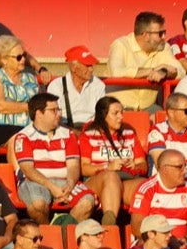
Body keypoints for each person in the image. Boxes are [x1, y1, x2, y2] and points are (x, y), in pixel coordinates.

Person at [9, 92, 95, 225]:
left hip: (64, 182)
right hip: (35, 181)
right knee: (38, 205)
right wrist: (52, 187)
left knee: (87, 202)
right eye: (53, 110)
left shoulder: (68, 134)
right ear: (39, 113)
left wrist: (70, 184)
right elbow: (28, 170)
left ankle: (62, 231)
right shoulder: (24, 137)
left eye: (58, 109)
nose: (58, 114)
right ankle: (47, 237)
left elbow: (73, 166)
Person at [82, 95, 147, 225]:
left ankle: (141, 232)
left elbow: (143, 165)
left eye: (121, 112)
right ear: (103, 115)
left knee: (145, 187)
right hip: (98, 181)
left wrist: (135, 165)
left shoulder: (129, 133)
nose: (121, 117)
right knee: (111, 177)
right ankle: (109, 225)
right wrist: (107, 167)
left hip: (125, 179)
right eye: (115, 113)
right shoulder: (89, 135)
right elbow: (84, 168)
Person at [108, 12, 181, 111]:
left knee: (161, 117)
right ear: (146, 35)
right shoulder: (121, 45)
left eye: (164, 32)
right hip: (119, 108)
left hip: (148, 108)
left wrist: (164, 72)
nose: (164, 37)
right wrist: (152, 71)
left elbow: (181, 71)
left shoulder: (163, 47)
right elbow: (116, 72)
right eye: (160, 34)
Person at [0, 36, 39, 151]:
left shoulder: (31, 79)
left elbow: (39, 105)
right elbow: (0, 106)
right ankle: (19, 169)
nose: (23, 60)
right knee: (18, 139)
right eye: (18, 57)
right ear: (4, 60)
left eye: (24, 56)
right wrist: (29, 107)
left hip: (27, 127)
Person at [45, 45, 106, 128]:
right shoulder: (56, 86)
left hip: (91, 130)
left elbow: (101, 116)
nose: (91, 69)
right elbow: (52, 117)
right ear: (74, 67)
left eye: (91, 65)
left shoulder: (98, 85)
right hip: (63, 130)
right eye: (87, 65)